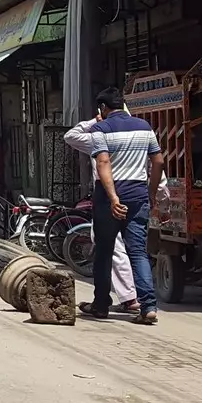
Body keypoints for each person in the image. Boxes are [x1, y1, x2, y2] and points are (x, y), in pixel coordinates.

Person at [64, 87, 163, 324]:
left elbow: (103, 162)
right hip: (138, 195)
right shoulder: (145, 127)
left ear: (103, 109)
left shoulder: (101, 129)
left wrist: (113, 198)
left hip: (108, 198)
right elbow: (158, 161)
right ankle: (148, 307)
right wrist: (150, 192)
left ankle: (100, 306)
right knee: (138, 252)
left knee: (104, 252)